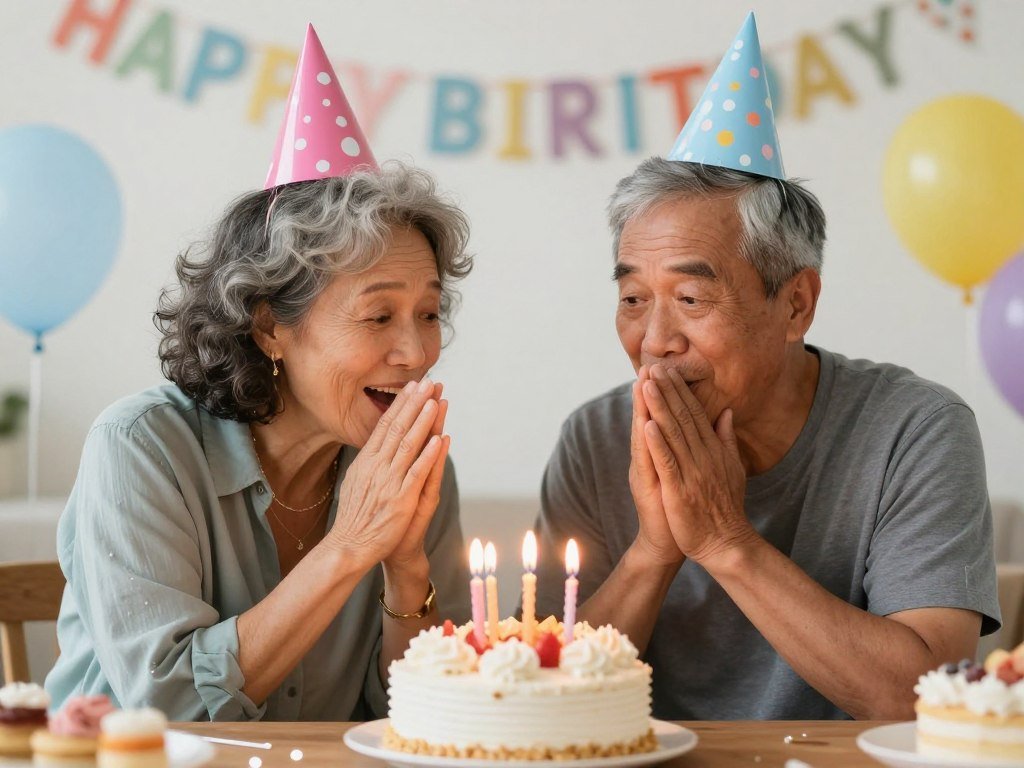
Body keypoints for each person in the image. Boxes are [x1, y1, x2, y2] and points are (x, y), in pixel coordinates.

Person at [533, 13, 999, 721]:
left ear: (796, 305)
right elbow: (526, 700)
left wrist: (726, 541)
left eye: (691, 298)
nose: (654, 339)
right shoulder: (595, 441)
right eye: (633, 298)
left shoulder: (915, 430)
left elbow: (925, 704)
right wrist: (655, 551)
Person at [45, 25, 472, 721]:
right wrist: (351, 545)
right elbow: (174, 707)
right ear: (271, 324)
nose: (418, 353)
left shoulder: (413, 469)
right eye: (378, 316)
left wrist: (405, 570)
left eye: (428, 314)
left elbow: (425, 722)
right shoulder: (141, 448)